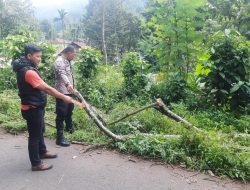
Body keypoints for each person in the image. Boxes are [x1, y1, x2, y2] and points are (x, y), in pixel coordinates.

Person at [12, 44, 84, 171]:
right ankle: (36, 163)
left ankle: (42, 151)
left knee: (40, 131)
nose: (40, 59)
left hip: (35, 106)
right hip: (32, 108)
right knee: (34, 136)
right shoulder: (28, 72)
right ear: (29, 56)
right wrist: (64, 97)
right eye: (37, 56)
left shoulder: (28, 68)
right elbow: (47, 88)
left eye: (40, 56)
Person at [53, 45, 77, 147]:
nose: (75, 56)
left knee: (69, 110)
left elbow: (69, 75)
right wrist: (68, 84)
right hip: (62, 91)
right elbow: (62, 74)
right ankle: (59, 137)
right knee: (61, 113)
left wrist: (72, 87)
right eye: (74, 54)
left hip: (69, 91)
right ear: (68, 53)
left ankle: (69, 128)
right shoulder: (59, 61)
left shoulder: (67, 61)